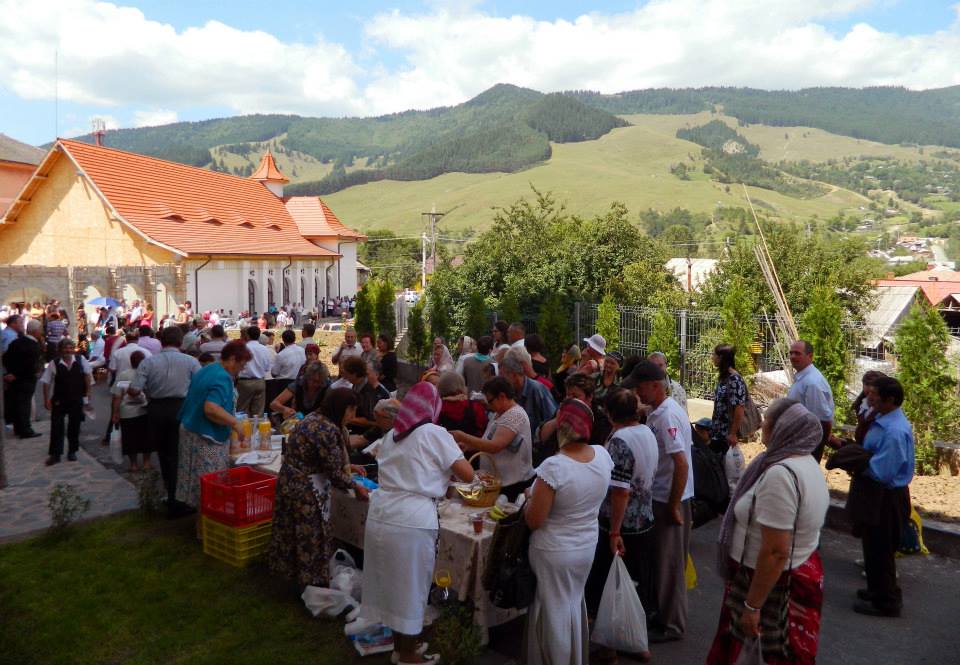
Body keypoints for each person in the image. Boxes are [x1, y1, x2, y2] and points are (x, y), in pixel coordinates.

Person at [707, 399, 829, 665]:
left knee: (760, 653)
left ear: (782, 429)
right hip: (790, 572)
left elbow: (776, 551)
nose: (761, 426)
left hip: (769, 583)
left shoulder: (781, 475)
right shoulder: (804, 461)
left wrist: (753, 606)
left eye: (767, 423)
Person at [360, 383, 475, 665]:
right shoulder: (434, 433)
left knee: (391, 585)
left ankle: (402, 646)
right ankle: (407, 654)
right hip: (411, 520)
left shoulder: (392, 436)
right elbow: (468, 474)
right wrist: (452, 456)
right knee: (411, 588)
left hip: (381, 513)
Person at [524, 398, 614, 665]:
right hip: (585, 545)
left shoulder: (555, 466)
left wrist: (530, 498)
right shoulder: (602, 455)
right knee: (573, 604)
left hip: (554, 550)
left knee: (553, 612)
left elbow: (535, 520)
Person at [269, 388, 372, 588]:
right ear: (341, 409)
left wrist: (347, 466)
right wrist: (354, 485)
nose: (352, 416)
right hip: (305, 489)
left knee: (291, 530)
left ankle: (289, 573)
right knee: (308, 534)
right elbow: (333, 473)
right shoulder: (327, 429)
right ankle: (310, 582)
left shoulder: (313, 418)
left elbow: (319, 457)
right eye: (351, 411)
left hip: (291, 482)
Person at [623, 360, 694, 643]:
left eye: (640, 388)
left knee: (670, 564)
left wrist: (674, 505)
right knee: (661, 561)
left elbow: (681, 463)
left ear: (655, 386)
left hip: (669, 499)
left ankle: (673, 625)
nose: (637, 393)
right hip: (663, 496)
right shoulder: (658, 411)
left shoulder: (666, 417)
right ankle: (662, 616)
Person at [586, 388, 659, 644]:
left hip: (622, 525)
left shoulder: (620, 440)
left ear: (611, 413)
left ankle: (610, 645)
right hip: (645, 519)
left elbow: (620, 492)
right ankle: (637, 640)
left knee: (610, 586)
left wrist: (614, 531)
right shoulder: (646, 432)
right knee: (636, 584)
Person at [850, 377, 914, 618]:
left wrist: (855, 461)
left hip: (886, 496)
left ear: (891, 400)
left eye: (875, 394)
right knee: (872, 543)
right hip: (878, 493)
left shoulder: (894, 431)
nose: (869, 396)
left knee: (881, 547)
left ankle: (886, 602)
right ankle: (876, 590)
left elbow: (882, 471)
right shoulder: (883, 420)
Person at [129, 326, 201, 515]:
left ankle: (171, 495)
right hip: (182, 408)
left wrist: (134, 391)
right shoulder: (191, 362)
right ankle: (180, 497)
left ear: (161, 341)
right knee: (180, 453)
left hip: (158, 409)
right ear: (180, 342)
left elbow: (135, 389)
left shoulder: (148, 363)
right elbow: (200, 387)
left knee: (163, 453)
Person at [175, 340, 252, 510]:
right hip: (206, 439)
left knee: (198, 480)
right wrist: (235, 424)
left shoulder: (208, 369)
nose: (242, 369)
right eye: (242, 364)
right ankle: (210, 522)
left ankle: (202, 525)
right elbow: (210, 408)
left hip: (191, 430)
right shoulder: (223, 377)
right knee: (211, 480)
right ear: (232, 359)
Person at [451, 376, 534, 501]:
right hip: (499, 481)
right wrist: (469, 446)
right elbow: (488, 440)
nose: (488, 405)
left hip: (513, 484)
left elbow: (494, 446)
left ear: (502, 396)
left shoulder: (515, 415)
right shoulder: (500, 413)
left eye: (490, 401)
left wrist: (461, 436)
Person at [41, 338, 93, 465]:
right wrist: (46, 399)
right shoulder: (54, 363)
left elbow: (88, 376)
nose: (68, 350)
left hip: (76, 398)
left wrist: (88, 394)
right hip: (59, 399)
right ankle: (55, 454)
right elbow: (46, 382)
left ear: (73, 349)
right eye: (65, 348)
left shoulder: (81, 360)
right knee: (56, 426)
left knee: (74, 426)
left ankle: (72, 451)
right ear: (60, 350)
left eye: (70, 348)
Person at [787, 340, 835, 461]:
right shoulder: (803, 378)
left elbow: (823, 420)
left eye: (797, 353)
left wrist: (814, 449)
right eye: (791, 353)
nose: (792, 356)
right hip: (798, 443)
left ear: (810, 356)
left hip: (806, 447)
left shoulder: (812, 383)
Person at [500, 347, 557, 439]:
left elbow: (553, 419)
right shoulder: (510, 393)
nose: (502, 381)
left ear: (514, 375)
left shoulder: (537, 390)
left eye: (504, 376)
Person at [111, 350, 152, 472]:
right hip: (145, 410)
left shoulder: (123, 375)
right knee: (146, 438)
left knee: (130, 439)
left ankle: (133, 464)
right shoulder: (148, 374)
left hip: (127, 412)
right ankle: (146, 462)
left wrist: (115, 413)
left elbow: (117, 396)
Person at [3, 318, 42, 439]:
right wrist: (17, 374)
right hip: (26, 379)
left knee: (17, 403)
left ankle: (18, 428)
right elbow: (29, 365)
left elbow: (6, 358)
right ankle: (25, 430)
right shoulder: (33, 345)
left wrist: (11, 373)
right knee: (24, 405)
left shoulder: (17, 342)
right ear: (35, 331)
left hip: (15, 379)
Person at [708, 344, 746, 456]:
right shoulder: (724, 377)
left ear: (721, 357)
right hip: (718, 432)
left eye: (714, 354)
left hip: (726, 435)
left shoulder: (734, 378)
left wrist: (733, 434)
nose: (712, 357)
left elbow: (739, 407)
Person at [436, 371, 488, 437]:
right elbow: (484, 428)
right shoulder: (476, 406)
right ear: (462, 386)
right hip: (472, 445)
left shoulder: (438, 407)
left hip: (443, 445)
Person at [236, 326, 272, 417]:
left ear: (247, 336)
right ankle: (256, 430)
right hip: (260, 382)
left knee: (242, 411)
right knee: (258, 412)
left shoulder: (243, 348)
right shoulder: (264, 349)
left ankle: (243, 430)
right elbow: (267, 368)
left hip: (245, 382)